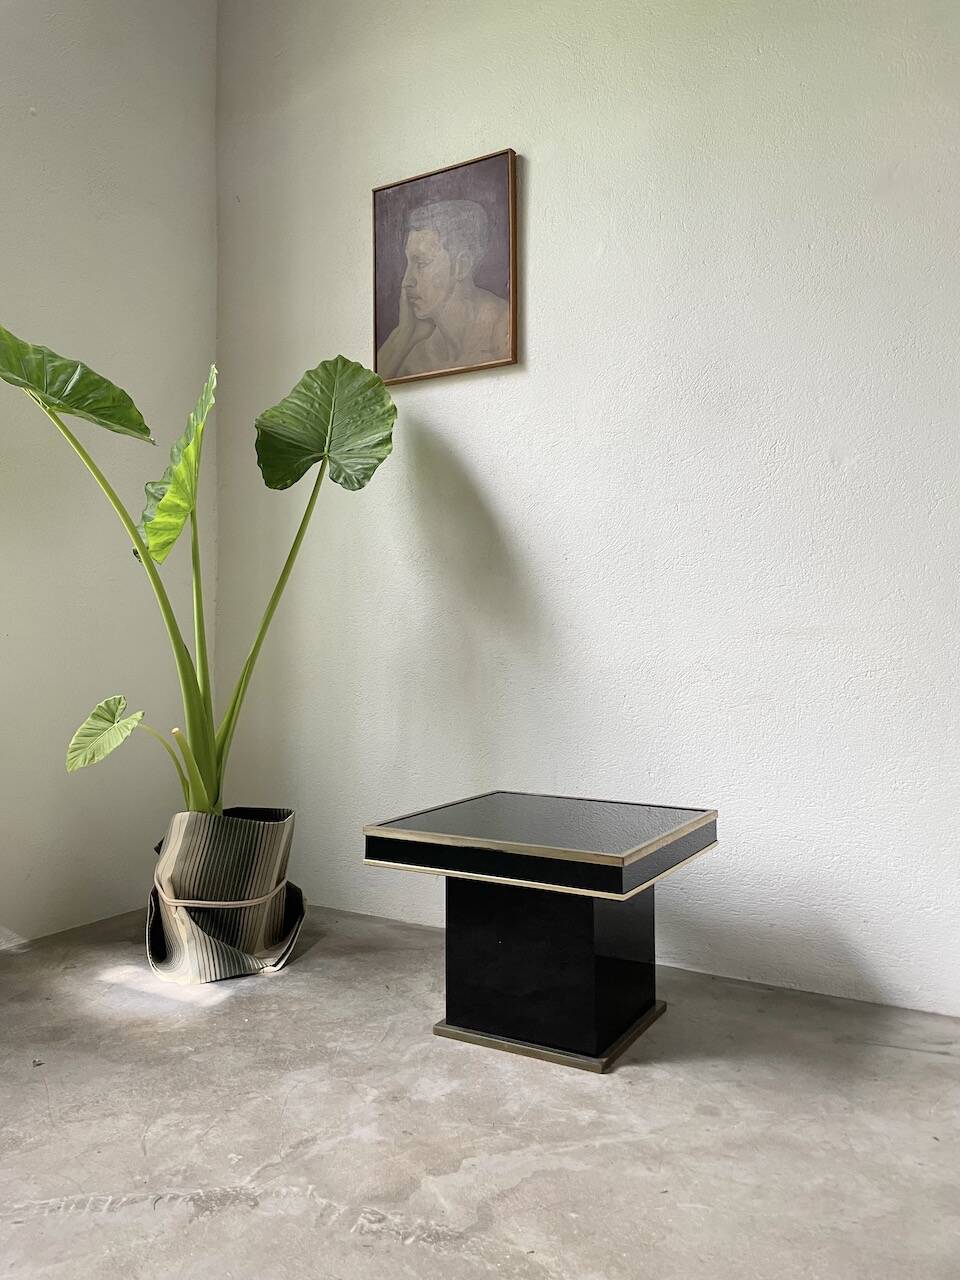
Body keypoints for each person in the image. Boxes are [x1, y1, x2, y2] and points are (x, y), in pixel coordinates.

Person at [377, 199, 509, 379]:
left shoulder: (505, 330)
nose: (407, 281)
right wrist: (403, 334)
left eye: (421, 263)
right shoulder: (418, 355)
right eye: (408, 263)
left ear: (461, 266)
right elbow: (361, 399)